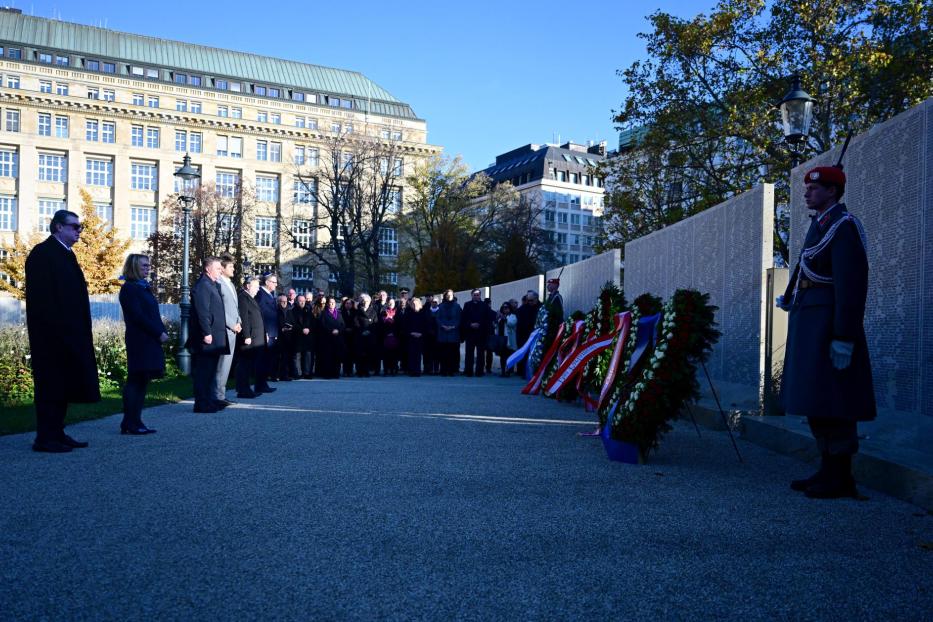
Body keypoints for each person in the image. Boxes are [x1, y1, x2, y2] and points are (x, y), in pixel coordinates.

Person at [779, 165, 876, 499]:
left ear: (832, 191)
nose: (807, 193)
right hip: (810, 322)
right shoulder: (821, 224)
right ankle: (826, 468)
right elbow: (806, 266)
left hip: (829, 325)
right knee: (816, 399)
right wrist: (791, 296)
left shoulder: (844, 226)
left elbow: (851, 286)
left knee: (836, 400)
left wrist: (844, 337)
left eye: (814, 188)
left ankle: (841, 476)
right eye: (807, 188)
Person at [24, 210, 100, 452]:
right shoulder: (43, 254)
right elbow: (42, 300)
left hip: (70, 334)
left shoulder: (66, 254)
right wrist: (58, 332)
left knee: (64, 385)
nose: (79, 231)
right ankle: (45, 438)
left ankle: (57, 432)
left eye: (80, 227)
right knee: (51, 385)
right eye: (74, 226)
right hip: (51, 337)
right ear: (58, 227)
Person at [118, 253, 168, 434]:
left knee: (141, 380)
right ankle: (130, 422)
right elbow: (138, 316)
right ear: (134, 267)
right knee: (136, 380)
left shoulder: (142, 287)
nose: (148, 268)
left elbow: (152, 313)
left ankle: (134, 421)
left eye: (148, 265)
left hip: (148, 339)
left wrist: (161, 331)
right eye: (144, 265)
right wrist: (158, 332)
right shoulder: (130, 288)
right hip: (140, 340)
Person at [187, 256, 228, 413]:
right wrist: (206, 332)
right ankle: (201, 403)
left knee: (210, 371)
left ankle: (210, 400)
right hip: (207, 337)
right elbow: (202, 311)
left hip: (215, 336)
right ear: (207, 268)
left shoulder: (212, 284)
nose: (220, 271)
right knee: (203, 372)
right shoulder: (203, 285)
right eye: (217, 268)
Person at [214, 254, 242, 407]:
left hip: (233, 330)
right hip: (224, 329)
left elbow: (234, 307)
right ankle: (217, 396)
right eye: (230, 267)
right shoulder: (218, 283)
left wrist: (239, 321)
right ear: (223, 268)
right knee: (222, 364)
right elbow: (219, 308)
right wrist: (232, 324)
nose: (233, 269)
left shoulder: (230, 284)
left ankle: (221, 395)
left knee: (226, 364)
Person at [235, 277, 265, 398]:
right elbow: (244, 318)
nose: (258, 289)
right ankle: (243, 390)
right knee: (244, 364)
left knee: (248, 364)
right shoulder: (243, 298)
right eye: (256, 286)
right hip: (249, 337)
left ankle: (246, 388)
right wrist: (246, 335)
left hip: (254, 337)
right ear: (248, 286)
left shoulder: (251, 298)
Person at [460, 289, 493, 377]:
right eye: (474, 295)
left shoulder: (484, 305)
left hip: (481, 333)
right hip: (470, 333)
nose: (476, 296)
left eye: (478, 295)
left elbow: (488, 319)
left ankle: (479, 371)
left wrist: (480, 325)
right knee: (469, 353)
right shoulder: (467, 305)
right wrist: (470, 324)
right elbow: (464, 318)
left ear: (480, 295)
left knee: (481, 353)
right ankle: (468, 371)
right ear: (471, 295)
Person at [254, 273, 279, 389]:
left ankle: (263, 383)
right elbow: (261, 314)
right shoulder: (261, 294)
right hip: (266, 332)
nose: (276, 284)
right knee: (262, 359)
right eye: (274, 282)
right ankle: (260, 384)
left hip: (272, 332)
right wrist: (265, 332)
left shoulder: (269, 294)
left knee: (268, 359)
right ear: (267, 282)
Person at [316, 296, 345, 379]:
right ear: (327, 304)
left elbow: (343, 324)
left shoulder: (339, 313)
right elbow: (322, 325)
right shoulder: (323, 313)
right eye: (330, 303)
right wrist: (331, 330)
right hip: (327, 338)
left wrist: (338, 330)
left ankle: (336, 373)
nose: (331, 304)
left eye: (333, 303)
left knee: (337, 356)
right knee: (328, 357)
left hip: (337, 338)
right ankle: (327, 373)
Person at [436, 289, 461, 376]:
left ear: (453, 296)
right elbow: (437, 318)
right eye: (447, 295)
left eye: (451, 294)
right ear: (445, 296)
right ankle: (443, 370)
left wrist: (453, 327)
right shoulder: (440, 306)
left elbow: (459, 318)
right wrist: (443, 326)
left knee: (452, 353)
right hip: (443, 333)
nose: (449, 296)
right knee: (443, 353)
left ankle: (451, 370)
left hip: (453, 333)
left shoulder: (457, 306)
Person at [401, 297, 428, 376]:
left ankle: (417, 370)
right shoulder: (408, 314)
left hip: (420, 337)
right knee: (411, 354)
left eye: (416, 304)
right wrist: (411, 333)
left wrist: (421, 333)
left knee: (418, 355)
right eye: (413, 304)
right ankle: (411, 370)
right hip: (411, 337)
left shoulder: (424, 314)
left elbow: (426, 326)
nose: (415, 305)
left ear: (420, 304)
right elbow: (404, 326)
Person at [291, 295, 315, 378]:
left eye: (303, 301)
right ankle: (298, 373)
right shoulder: (292, 311)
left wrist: (308, 329)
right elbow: (292, 324)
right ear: (296, 301)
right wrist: (302, 329)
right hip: (297, 336)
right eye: (300, 301)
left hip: (308, 336)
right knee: (297, 355)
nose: (302, 302)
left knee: (308, 355)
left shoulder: (308, 311)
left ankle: (307, 373)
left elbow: (313, 323)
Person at [354, 293, 377, 377]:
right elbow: (356, 322)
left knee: (368, 354)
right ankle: (359, 371)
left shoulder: (373, 311)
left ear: (370, 302)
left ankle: (366, 370)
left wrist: (369, 331)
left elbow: (375, 323)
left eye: (367, 301)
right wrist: (361, 331)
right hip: (360, 335)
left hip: (369, 336)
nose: (365, 302)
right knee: (360, 354)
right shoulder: (358, 311)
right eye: (364, 301)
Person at [276, 294, 295, 381]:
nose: (284, 303)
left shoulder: (289, 311)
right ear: (278, 302)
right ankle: (276, 375)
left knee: (286, 357)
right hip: (278, 337)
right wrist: (281, 329)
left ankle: (285, 375)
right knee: (277, 358)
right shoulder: (276, 311)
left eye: (286, 301)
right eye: (282, 301)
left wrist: (291, 327)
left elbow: (293, 322)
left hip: (288, 337)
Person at [496, 302, 518, 376]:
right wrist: (497, 319)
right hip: (501, 339)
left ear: (510, 308)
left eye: (507, 308)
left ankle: (508, 371)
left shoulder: (513, 316)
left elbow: (511, 324)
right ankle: (503, 371)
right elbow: (496, 326)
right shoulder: (500, 317)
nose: (505, 309)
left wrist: (504, 319)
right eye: (504, 308)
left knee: (509, 355)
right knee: (502, 356)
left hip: (508, 339)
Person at [380, 298, 400, 375]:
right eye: (389, 302)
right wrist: (387, 333)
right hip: (386, 336)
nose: (391, 304)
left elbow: (399, 325)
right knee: (386, 355)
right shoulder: (383, 312)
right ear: (387, 303)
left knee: (394, 355)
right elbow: (381, 325)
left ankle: (393, 369)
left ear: (394, 303)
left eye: (392, 302)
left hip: (395, 336)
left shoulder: (397, 312)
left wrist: (394, 333)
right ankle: (386, 370)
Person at [422, 296, 440, 375]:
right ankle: (428, 369)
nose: (434, 303)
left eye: (436, 302)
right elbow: (424, 323)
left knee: (437, 353)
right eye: (433, 302)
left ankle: (436, 369)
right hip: (428, 336)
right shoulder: (426, 311)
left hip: (438, 335)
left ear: (438, 303)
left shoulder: (440, 311)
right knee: (428, 353)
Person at [340, 298, 357, 377]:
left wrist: (352, 329)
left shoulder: (355, 312)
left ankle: (350, 370)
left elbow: (356, 322)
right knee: (345, 354)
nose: (348, 305)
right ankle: (345, 370)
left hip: (353, 335)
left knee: (351, 354)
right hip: (344, 335)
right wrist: (345, 329)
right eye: (347, 303)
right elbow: (340, 322)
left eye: (350, 303)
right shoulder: (341, 312)